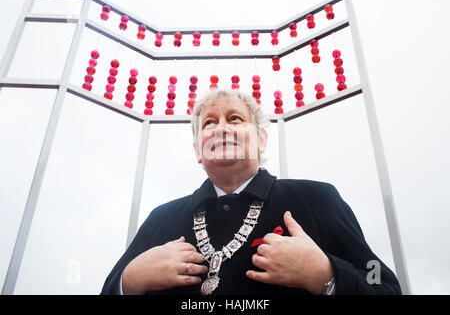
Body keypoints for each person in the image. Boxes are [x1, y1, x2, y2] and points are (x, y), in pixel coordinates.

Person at [100, 89, 401, 295]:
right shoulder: (160, 218)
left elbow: (384, 285)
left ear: (261, 140)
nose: (221, 128)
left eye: (234, 118)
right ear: (197, 151)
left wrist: (327, 275)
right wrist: (130, 281)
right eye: (209, 122)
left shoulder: (317, 199)